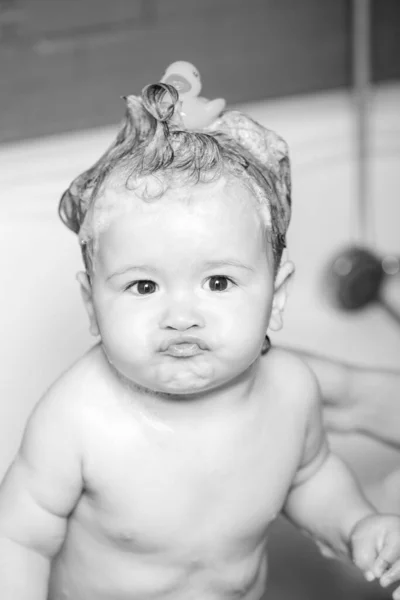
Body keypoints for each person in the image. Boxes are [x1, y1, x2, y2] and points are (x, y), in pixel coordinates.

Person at [0, 69, 400, 600]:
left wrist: (356, 524)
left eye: (218, 281)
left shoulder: (290, 391)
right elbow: (19, 539)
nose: (182, 315)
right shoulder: (77, 418)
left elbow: (310, 478)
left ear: (276, 297)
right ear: (91, 306)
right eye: (143, 285)